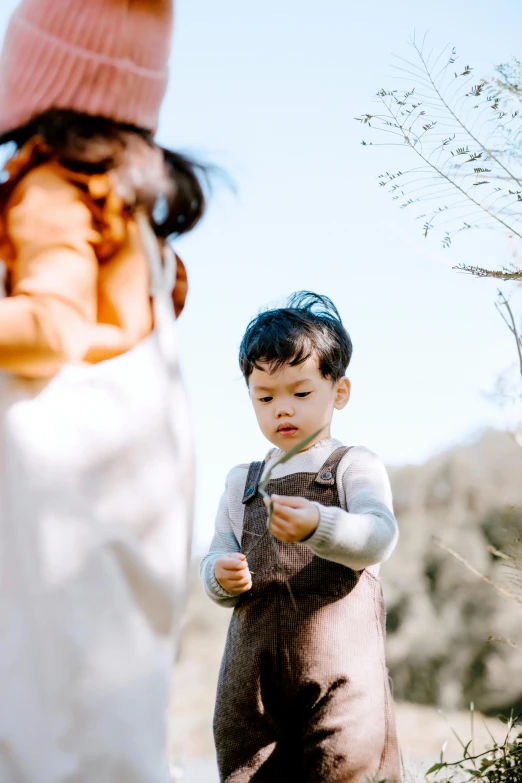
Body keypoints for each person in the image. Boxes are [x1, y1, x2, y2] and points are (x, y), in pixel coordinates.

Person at [0, 1, 205, 780]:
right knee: (104, 739)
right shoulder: (136, 225)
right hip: (133, 520)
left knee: (34, 722)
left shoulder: (52, 191)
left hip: (58, 521)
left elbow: (51, 326)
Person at [200, 292, 401, 782]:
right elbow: (217, 554)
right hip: (252, 687)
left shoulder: (354, 466)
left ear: (340, 391)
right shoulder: (241, 481)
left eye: (300, 393)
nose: (281, 409)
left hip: (341, 681)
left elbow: (379, 536)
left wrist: (320, 526)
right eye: (265, 397)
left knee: (344, 769)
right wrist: (220, 575)